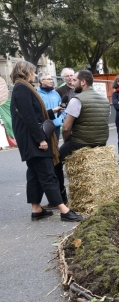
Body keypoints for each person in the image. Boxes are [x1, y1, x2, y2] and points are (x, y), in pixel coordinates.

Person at [9, 61, 82, 222]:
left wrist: (52, 111)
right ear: (25, 71)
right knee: (48, 174)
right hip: (32, 139)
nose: (35, 75)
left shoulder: (22, 87)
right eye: (33, 72)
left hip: (29, 139)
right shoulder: (22, 88)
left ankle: (36, 209)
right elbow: (29, 117)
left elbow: (34, 114)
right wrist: (41, 139)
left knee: (34, 174)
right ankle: (64, 210)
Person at [54, 70, 111, 207]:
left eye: (74, 80)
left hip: (82, 141)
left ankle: (61, 199)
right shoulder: (104, 99)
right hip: (101, 142)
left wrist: (68, 142)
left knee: (55, 161)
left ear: (83, 82)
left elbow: (66, 128)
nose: (72, 83)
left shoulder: (76, 100)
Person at [37, 72, 66, 140]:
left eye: (51, 79)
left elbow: (63, 107)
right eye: (49, 79)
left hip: (56, 126)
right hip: (43, 126)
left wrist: (60, 119)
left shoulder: (55, 93)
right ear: (41, 81)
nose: (51, 81)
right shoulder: (36, 94)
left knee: (55, 148)